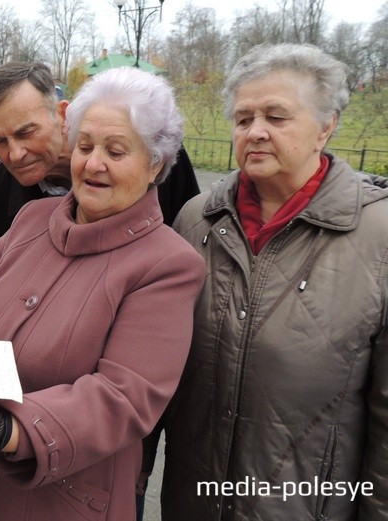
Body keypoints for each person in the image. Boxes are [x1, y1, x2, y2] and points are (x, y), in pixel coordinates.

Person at [0, 66, 205, 520]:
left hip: (59, 495)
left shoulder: (168, 264)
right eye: (86, 146)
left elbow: (124, 396)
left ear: (155, 164)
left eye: (116, 150)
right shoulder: (34, 218)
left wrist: (10, 431)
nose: (93, 163)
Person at [159, 43, 388, 520]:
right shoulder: (196, 221)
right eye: (244, 120)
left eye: (276, 117)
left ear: (326, 127)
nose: (256, 132)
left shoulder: (378, 235)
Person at [0, 62, 200, 261]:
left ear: (62, 114)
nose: (15, 154)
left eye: (25, 133)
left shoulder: (153, 156)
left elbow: (192, 242)